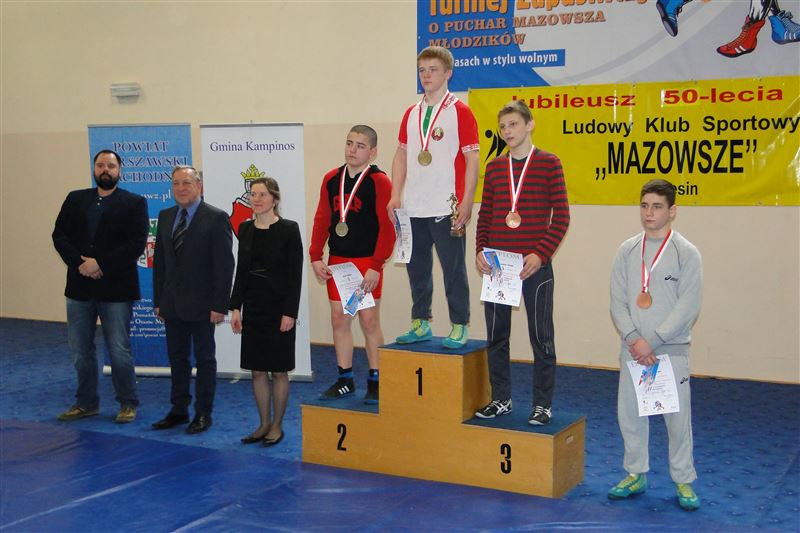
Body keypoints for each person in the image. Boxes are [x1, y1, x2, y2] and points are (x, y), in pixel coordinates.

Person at [608, 179, 703, 511]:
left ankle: (683, 479)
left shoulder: (686, 253)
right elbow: (617, 302)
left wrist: (655, 340)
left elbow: (688, 307)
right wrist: (635, 339)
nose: (649, 213)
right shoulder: (626, 250)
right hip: (634, 350)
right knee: (630, 414)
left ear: (672, 211)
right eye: (645, 206)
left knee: (677, 419)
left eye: (657, 207)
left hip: (670, 349)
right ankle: (635, 473)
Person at [473, 101, 570, 426]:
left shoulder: (549, 163)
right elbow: (486, 215)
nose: (507, 131)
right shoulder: (495, 168)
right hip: (499, 266)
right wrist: (481, 250)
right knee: (496, 336)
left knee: (541, 337)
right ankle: (501, 398)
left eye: (513, 124)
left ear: (530, 125)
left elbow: (562, 217)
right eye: (503, 127)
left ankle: (543, 405)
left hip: (534, 267)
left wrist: (540, 254)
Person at [387, 45, 479, 349]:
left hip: (447, 205)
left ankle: (459, 324)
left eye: (433, 70)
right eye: (422, 70)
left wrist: (467, 200)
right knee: (416, 267)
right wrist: (395, 194)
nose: (426, 75)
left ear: (448, 73)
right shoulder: (411, 113)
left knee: (453, 268)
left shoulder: (460, 111)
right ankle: (421, 322)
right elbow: (401, 155)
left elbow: (472, 159)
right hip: (414, 205)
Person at [52, 149, 148, 424]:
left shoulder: (134, 203)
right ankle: (86, 403)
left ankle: (127, 403)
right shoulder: (75, 199)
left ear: (120, 171)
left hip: (116, 289)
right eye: (101, 165)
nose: (105, 169)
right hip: (79, 288)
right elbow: (59, 236)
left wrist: (100, 264)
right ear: (94, 169)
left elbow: (136, 243)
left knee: (118, 350)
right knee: (80, 352)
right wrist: (80, 263)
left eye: (111, 165)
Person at [309, 125, 395, 403]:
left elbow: (388, 228)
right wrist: (315, 255)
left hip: (367, 262)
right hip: (338, 261)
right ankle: (345, 378)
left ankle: (377, 381)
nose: (352, 150)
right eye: (349, 143)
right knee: (339, 318)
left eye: (360, 145)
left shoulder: (379, 181)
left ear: (373, 152)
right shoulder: (331, 179)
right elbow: (322, 218)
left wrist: (376, 265)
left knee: (369, 320)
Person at [152, 165, 234, 434]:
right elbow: (160, 262)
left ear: (199, 186)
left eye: (186, 183)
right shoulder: (165, 216)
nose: (181, 188)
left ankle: (203, 413)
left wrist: (220, 305)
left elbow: (224, 266)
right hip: (172, 303)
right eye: (176, 183)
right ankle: (178, 410)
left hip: (203, 305)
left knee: (204, 359)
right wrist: (159, 301)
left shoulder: (216, 218)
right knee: (177, 359)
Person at [230, 177, 303, 446]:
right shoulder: (245, 228)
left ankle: (277, 425)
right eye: (253, 194)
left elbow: (295, 276)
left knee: (279, 371)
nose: (256, 199)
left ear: (275, 198)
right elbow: (241, 271)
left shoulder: (289, 229)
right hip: (254, 307)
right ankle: (263, 423)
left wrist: (289, 312)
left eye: (262, 194)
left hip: (279, 308)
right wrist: (235, 307)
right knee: (257, 370)